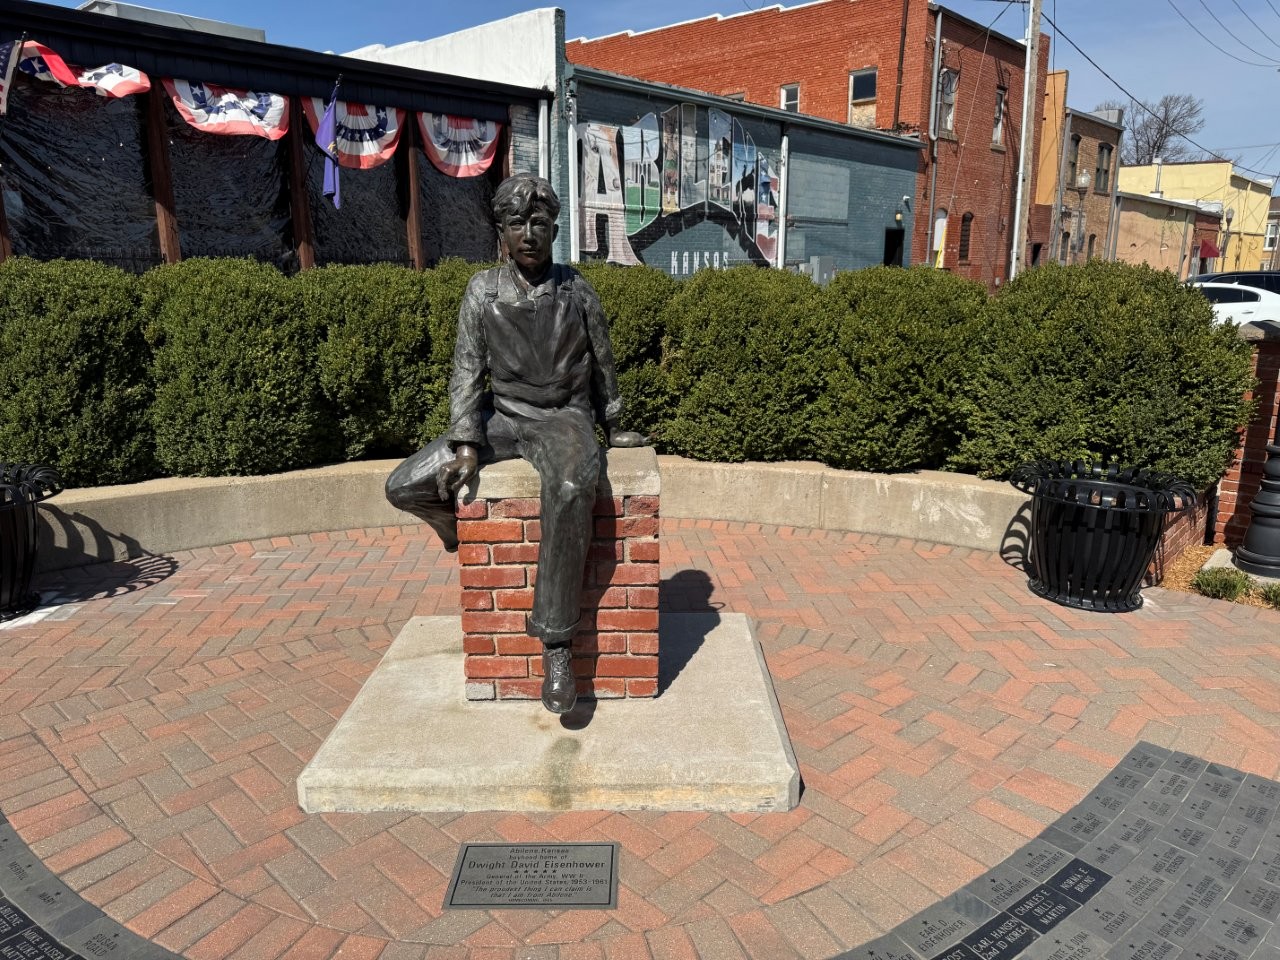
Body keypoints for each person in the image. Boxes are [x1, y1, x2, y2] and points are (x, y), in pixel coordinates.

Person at [386, 173, 645, 715]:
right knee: (405, 485)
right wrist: (466, 444)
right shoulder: (482, 291)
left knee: (573, 487)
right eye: (516, 223)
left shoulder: (577, 290)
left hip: (563, 419)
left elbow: (603, 361)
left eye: (540, 224)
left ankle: (556, 644)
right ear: (500, 232)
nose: (529, 233)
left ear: (553, 229)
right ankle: (455, 528)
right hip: (502, 417)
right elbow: (465, 372)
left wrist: (612, 420)